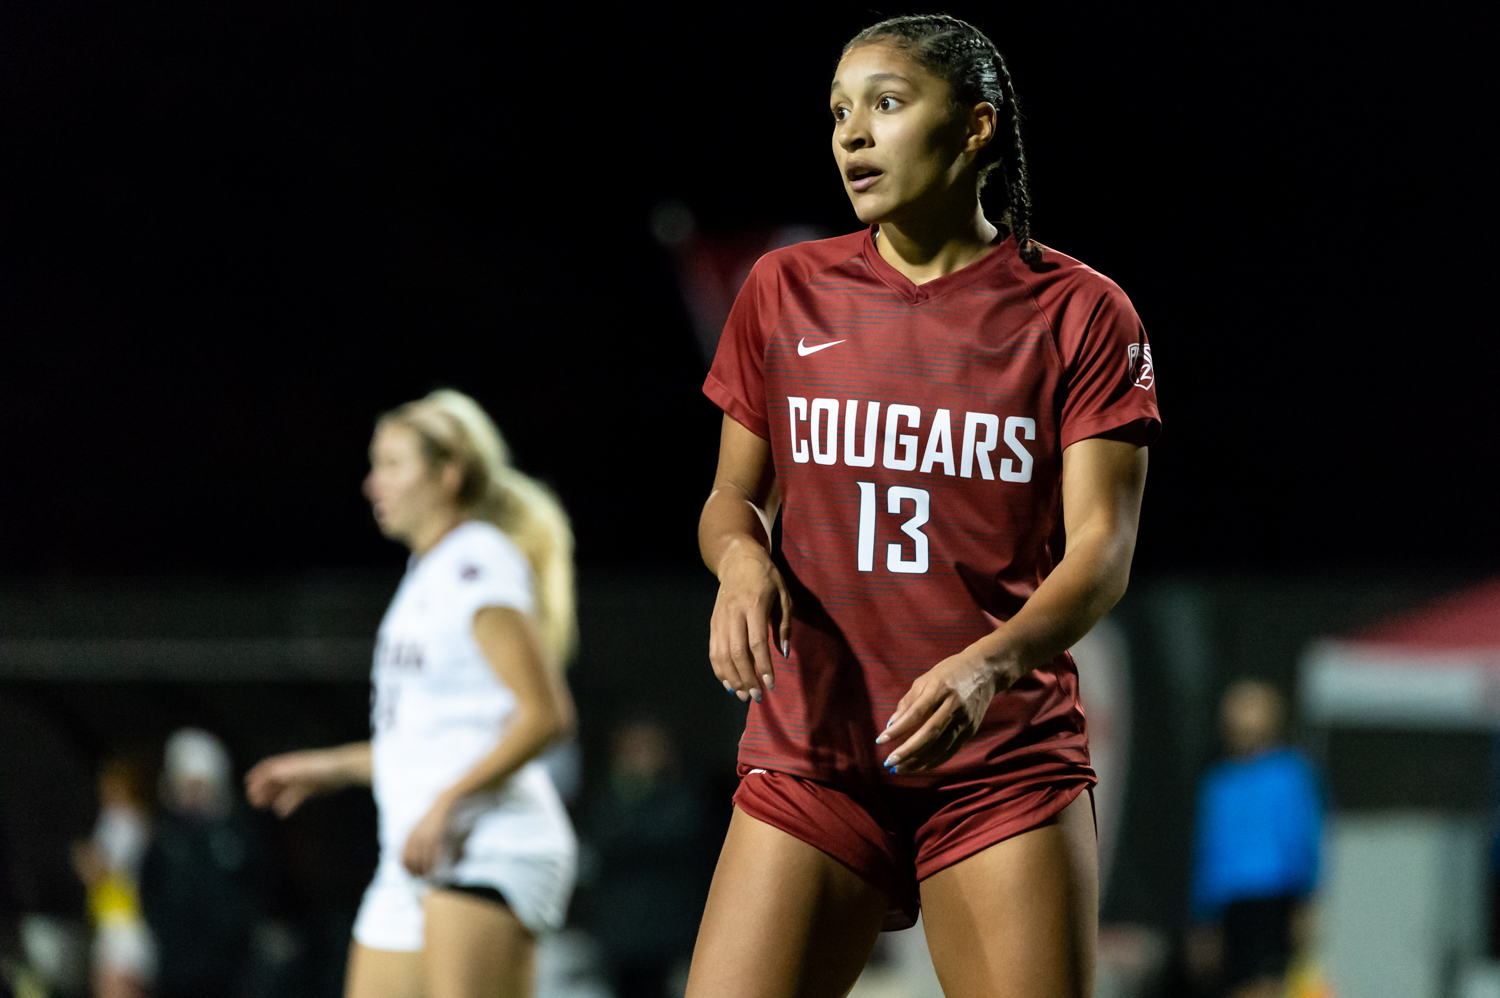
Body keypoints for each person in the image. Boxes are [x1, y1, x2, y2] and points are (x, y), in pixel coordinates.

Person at [692, 14, 1159, 998]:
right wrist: (741, 562)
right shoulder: (784, 288)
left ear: (979, 126)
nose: (852, 133)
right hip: (813, 752)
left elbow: (1102, 551)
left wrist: (992, 662)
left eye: (887, 104)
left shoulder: (1079, 310)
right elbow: (733, 496)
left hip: (1001, 761)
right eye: (839, 112)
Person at [245, 389, 579, 998]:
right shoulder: (426, 573)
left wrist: (448, 801)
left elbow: (547, 715)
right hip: (418, 851)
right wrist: (328, 767)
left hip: (487, 844)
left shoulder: (478, 562)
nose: (374, 484)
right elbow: (427, 740)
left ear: (448, 474)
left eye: (393, 465)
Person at [1187, 681, 1322, 998]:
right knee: (1237, 981)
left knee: (1265, 981)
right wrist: (1203, 919)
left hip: (1273, 895)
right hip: (1231, 902)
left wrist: (1306, 901)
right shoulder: (1218, 781)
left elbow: (1304, 841)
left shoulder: (1290, 774)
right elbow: (1207, 854)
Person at [581, 718, 709, 998]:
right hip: (619, 935)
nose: (639, 755)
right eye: (631, 748)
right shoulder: (607, 794)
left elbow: (672, 835)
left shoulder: (682, 792)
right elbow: (600, 841)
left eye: (647, 746)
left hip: (668, 934)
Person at [140, 728, 267, 998]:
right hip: (178, 966)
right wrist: (166, 930)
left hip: (231, 966)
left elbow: (260, 884)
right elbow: (148, 887)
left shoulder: (237, 834)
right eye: (187, 785)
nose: (194, 794)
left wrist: (238, 924)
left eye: (201, 785)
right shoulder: (165, 836)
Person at [72, 752, 156, 998]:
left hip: (124, 927)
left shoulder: (124, 822)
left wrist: (84, 858)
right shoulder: (133, 821)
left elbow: (100, 869)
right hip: (119, 923)